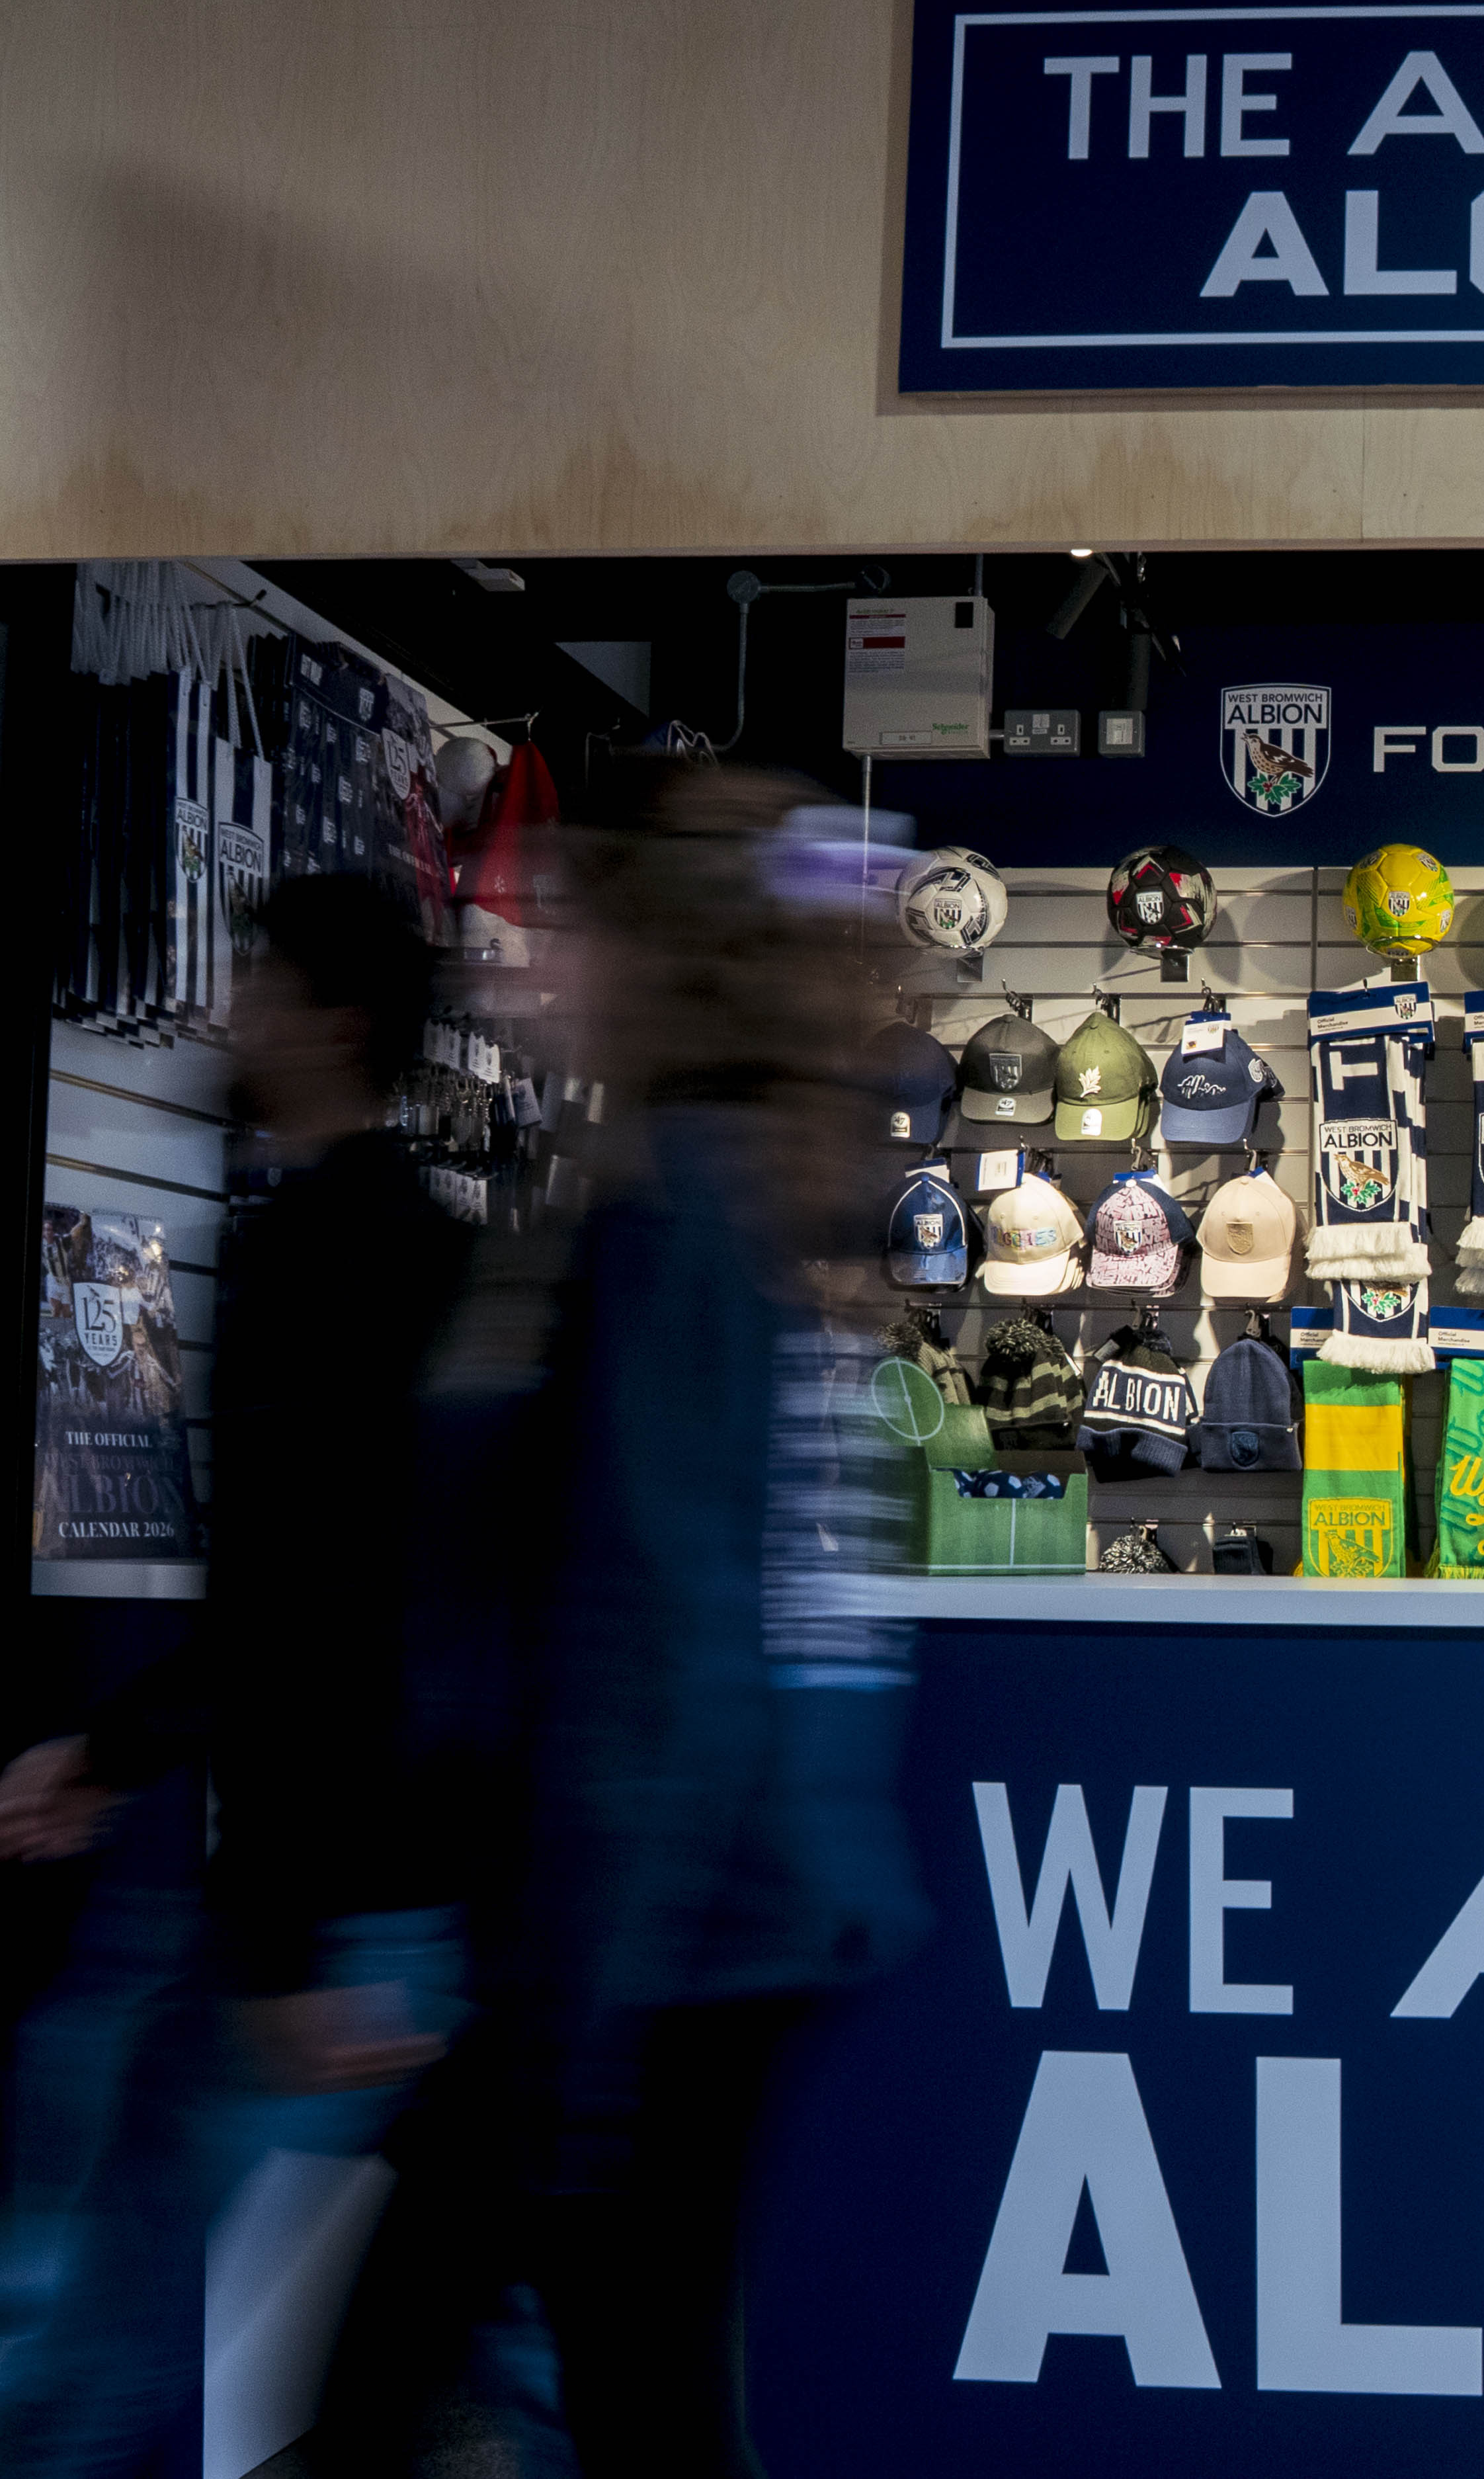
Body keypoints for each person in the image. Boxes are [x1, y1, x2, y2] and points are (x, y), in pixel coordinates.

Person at [314, 768, 925, 2476]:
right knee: (626, 2398)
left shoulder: (674, 1211)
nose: (521, 956)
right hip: (685, 1930)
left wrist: (577, 2017)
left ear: (652, 954)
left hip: (631, 1946)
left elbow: (663, 1651)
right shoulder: (740, 1197)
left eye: (560, 920)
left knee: (444, 2399)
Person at [0, 874, 474, 2476]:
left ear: (334, 1019)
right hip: (339, 1882)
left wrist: (291, 1940)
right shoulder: (366, 1239)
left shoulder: (345, 1255)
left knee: (111, 2283)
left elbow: (334, 1611)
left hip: (330, 1890)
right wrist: (116, 1757)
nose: (230, 1008)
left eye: (262, 980)